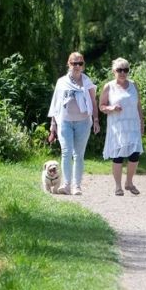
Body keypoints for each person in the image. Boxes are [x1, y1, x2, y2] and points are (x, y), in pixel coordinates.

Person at [47, 51, 98, 195]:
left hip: (83, 122)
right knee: (66, 152)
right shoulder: (62, 82)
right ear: (68, 64)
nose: (77, 66)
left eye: (80, 63)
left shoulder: (87, 82)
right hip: (65, 121)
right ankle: (66, 185)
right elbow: (56, 103)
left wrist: (96, 120)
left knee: (78, 155)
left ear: (83, 65)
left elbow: (93, 102)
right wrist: (53, 124)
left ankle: (76, 186)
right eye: (74, 63)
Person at [99, 57, 144, 196]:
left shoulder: (133, 85)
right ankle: (118, 186)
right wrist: (111, 108)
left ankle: (129, 182)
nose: (123, 73)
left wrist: (142, 122)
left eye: (126, 70)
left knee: (135, 154)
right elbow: (101, 106)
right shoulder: (109, 86)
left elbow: (138, 105)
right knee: (118, 156)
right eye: (120, 70)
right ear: (114, 71)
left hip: (133, 125)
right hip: (117, 127)